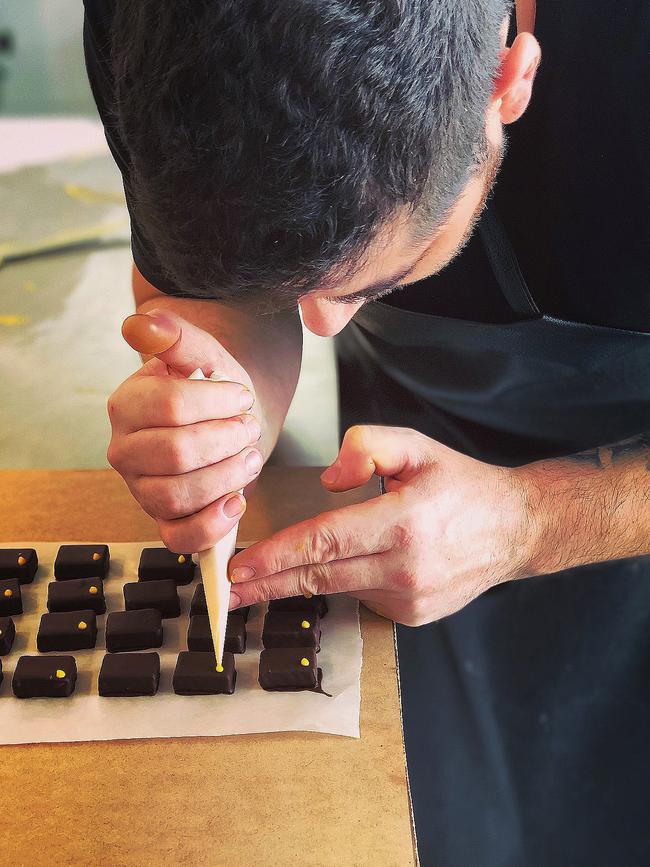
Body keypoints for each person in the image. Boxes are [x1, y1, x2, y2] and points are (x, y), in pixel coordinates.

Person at [83, 1, 649, 863]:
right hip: (406, 448)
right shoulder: (146, 26)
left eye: (372, 280)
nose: (319, 327)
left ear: (508, 79)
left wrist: (531, 518)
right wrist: (227, 399)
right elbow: (218, 294)